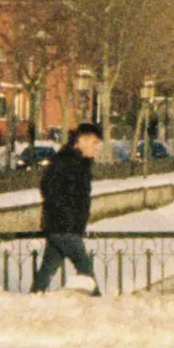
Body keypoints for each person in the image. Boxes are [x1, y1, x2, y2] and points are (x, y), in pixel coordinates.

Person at [33, 121, 103, 293]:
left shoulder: (76, 161)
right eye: (94, 143)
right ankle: (100, 306)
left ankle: (33, 298)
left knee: (47, 270)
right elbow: (50, 189)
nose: (97, 148)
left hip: (61, 226)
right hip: (65, 228)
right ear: (82, 141)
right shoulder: (68, 162)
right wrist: (67, 216)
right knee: (85, 269)